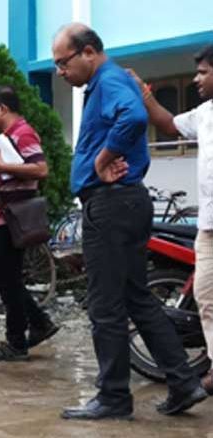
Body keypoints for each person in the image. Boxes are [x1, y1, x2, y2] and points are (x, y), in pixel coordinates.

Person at [52, 23, 206, 420]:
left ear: (88, 52)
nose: (60, 72)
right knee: (138, 297)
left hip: (112, 204)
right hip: (123, 204)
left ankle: (114, 397)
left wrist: (103, 159)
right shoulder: (105, 83)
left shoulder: (109, 81)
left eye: (63, 63)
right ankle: (183, 381)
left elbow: (134, 116)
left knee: (105, 305)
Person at [127, 44, 213, 395]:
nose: (196, 79)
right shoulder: (204, 113)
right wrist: (144, 92)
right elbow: (166, 122)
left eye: (204, 72)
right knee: (206, 295)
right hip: (208, 225)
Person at [0, 85, 60, 361]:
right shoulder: (8, 136)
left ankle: (17, 341)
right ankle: (38, 323)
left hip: (9, 219)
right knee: (5, 278)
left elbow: (40, 169)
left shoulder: (23, 133)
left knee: (6, 278)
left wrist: (2, 169)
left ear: (3, 109)